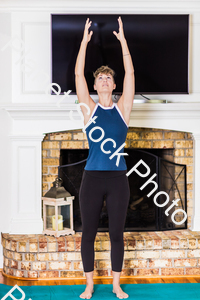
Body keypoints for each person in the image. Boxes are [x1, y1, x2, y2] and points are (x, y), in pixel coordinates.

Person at [75, 16, 135, 299]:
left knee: (115, 234)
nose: (105, 80)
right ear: (96, 87)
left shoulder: (123, 109)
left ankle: (115, 284)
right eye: (100, 78)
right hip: (92, 177)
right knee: (88, 233)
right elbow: (78, 76)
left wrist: (123, 41)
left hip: (117, 178)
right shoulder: (89, 109)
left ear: (113, 86)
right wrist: (84, 43)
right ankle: (89, 284)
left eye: (108, 78)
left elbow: (131, 76)